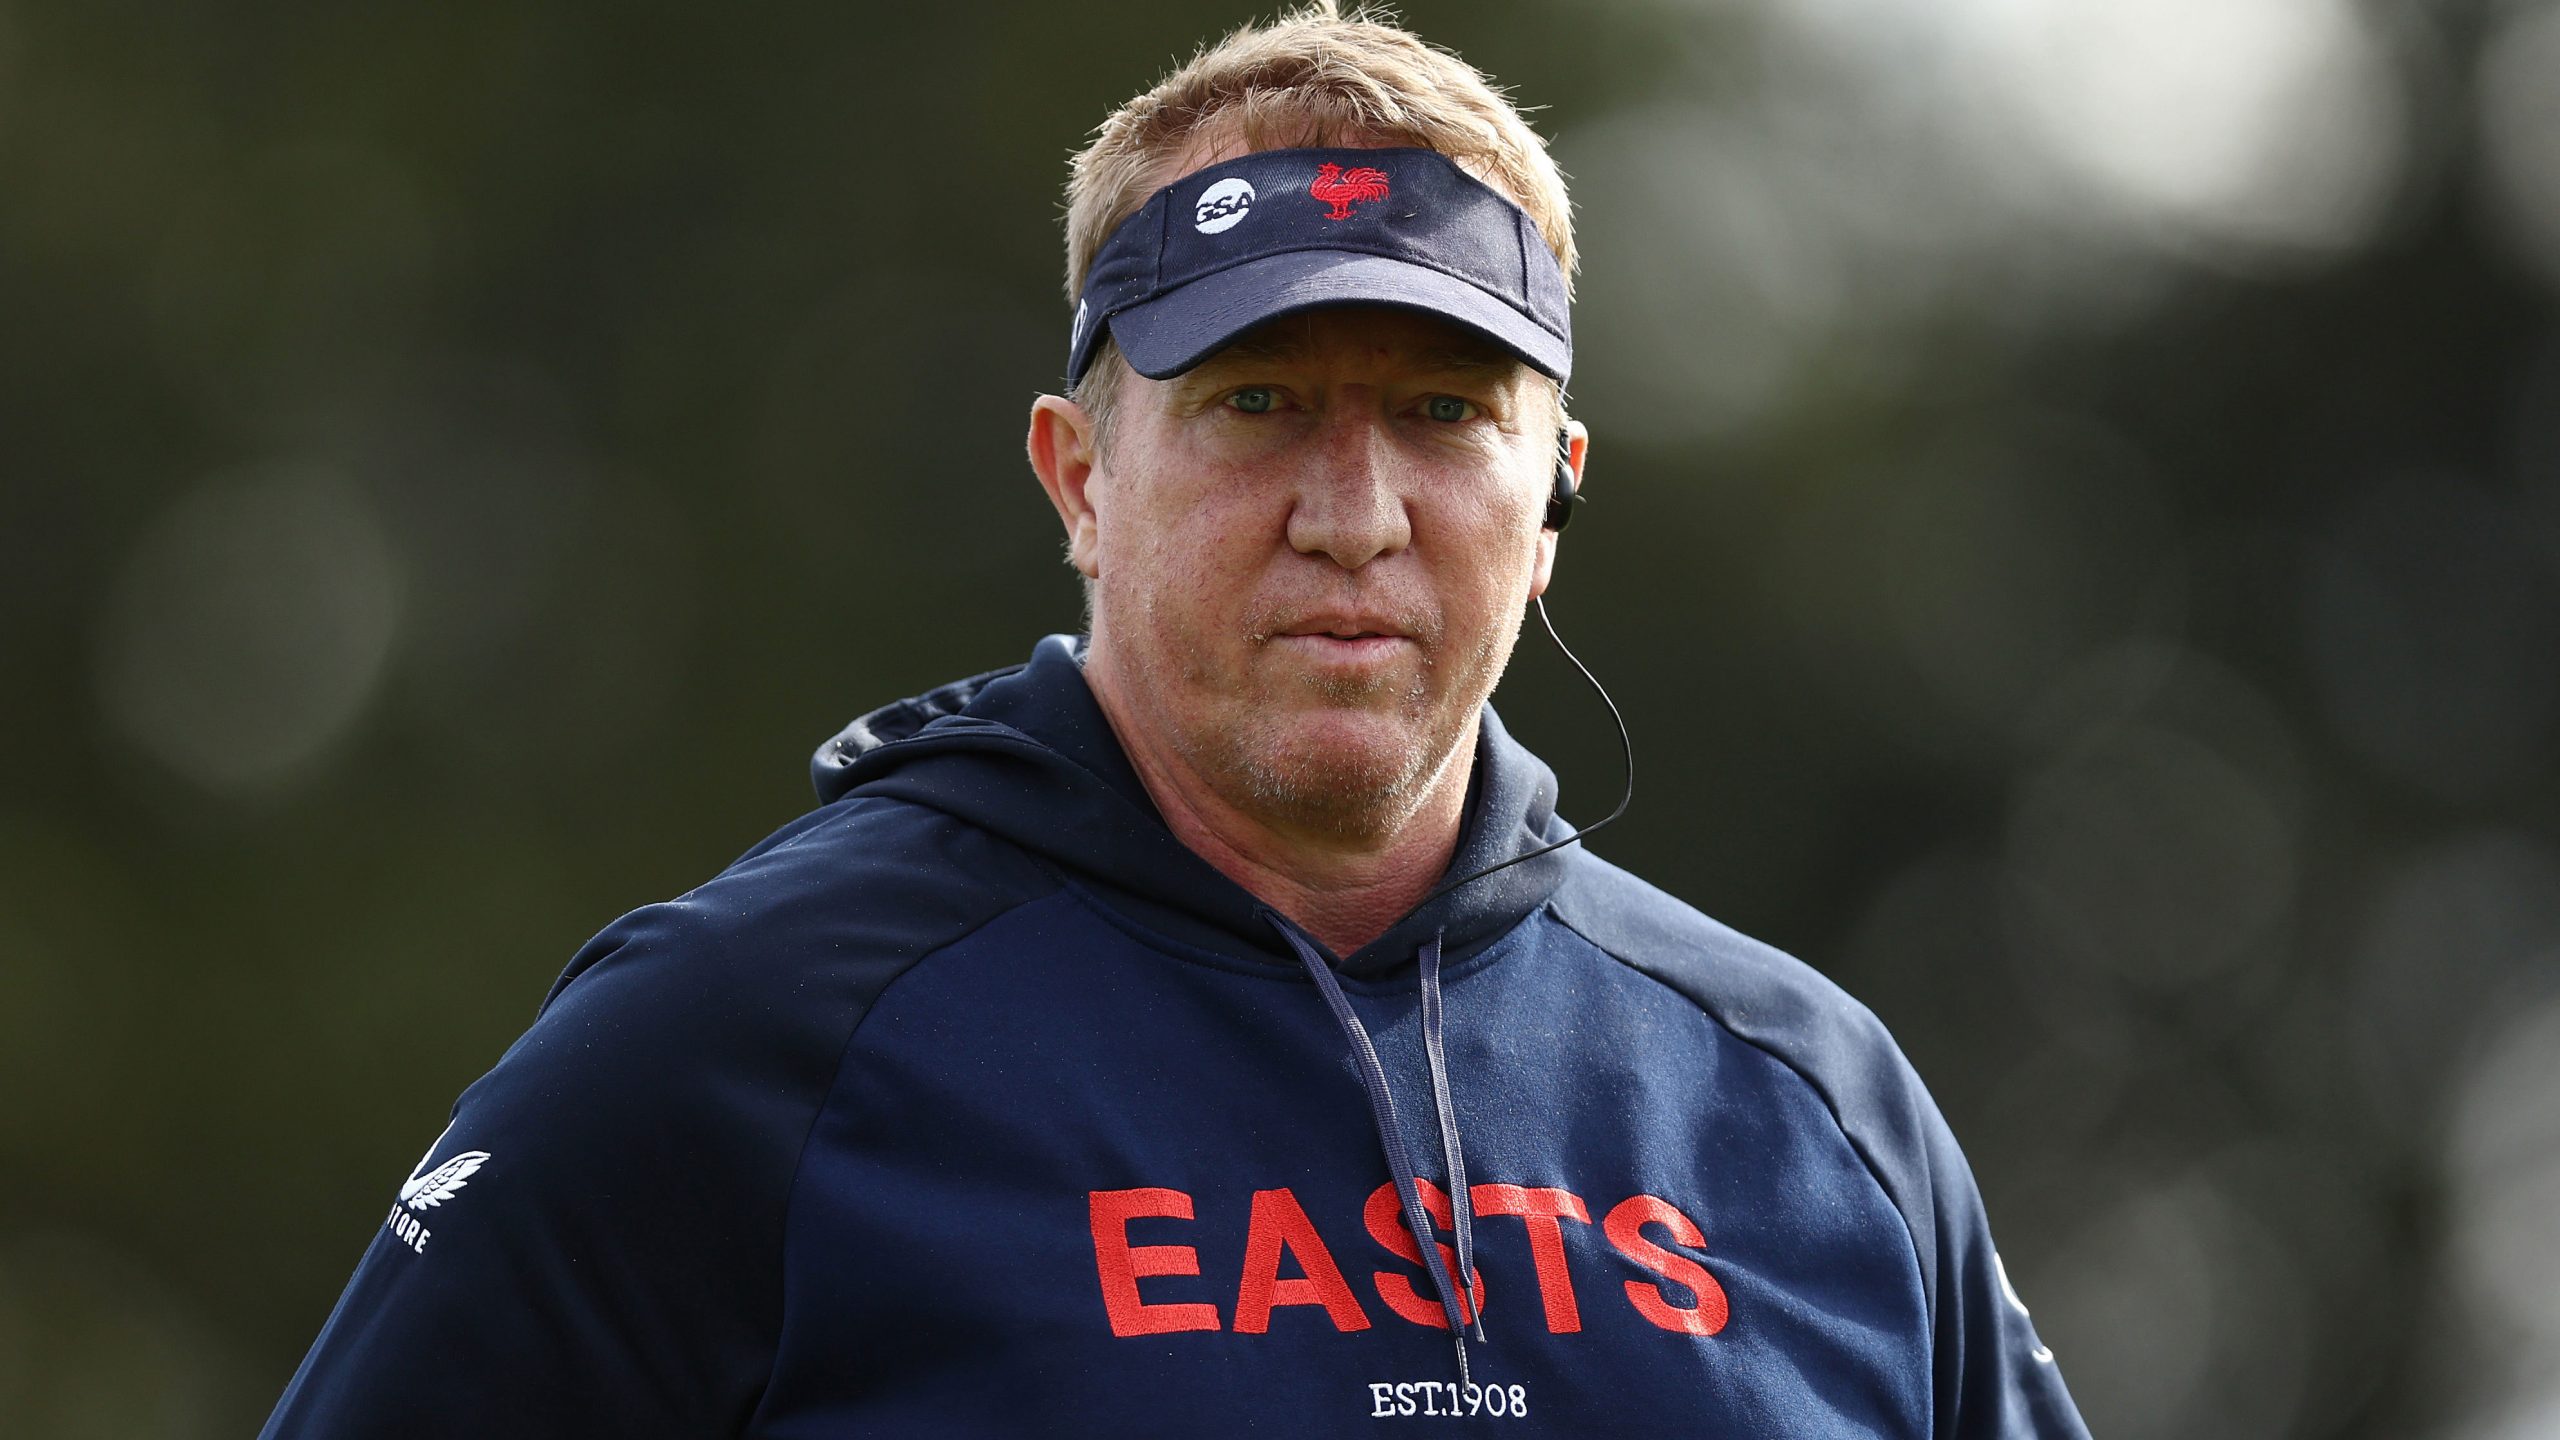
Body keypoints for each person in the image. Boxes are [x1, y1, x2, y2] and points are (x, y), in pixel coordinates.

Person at [261, 6, 2089, 1436]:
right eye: (1260, 398)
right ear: (1080, 477)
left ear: (1553, 498)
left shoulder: (1815, 1114)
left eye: (1447, 415)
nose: (1354, 510)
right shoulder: (732, 1050)